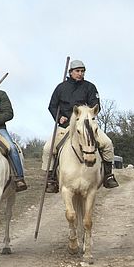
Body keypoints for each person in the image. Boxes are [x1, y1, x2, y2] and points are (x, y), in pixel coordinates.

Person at [44, 60, 118, 191]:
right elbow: (52, 106)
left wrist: (86, 114)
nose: (80, 73)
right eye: (77, 71)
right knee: (48, 148)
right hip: (66, 125)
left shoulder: (90, 87)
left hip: (86, 126)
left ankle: (108, 175)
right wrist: (58, 117)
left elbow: (96, 105)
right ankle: (51, 179)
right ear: (70, 72)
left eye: (82, 71)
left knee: (107, 143)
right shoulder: (61, 88)